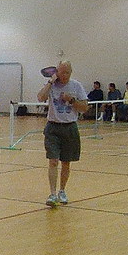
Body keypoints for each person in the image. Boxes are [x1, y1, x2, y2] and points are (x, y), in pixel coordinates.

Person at [37, 60, 88, 207]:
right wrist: (49, 82)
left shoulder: (76, 86)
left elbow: (84, 107)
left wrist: (71, 100)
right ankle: (52, 194)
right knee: (53, 161)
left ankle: (62, 191)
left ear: (70, 73)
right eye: (61, 72)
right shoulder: (51, 85)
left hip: (70, 127)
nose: (63, 75)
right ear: (56, 72)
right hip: (53, 127)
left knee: (66, 162)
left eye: (66, 72)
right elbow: (40, 97)